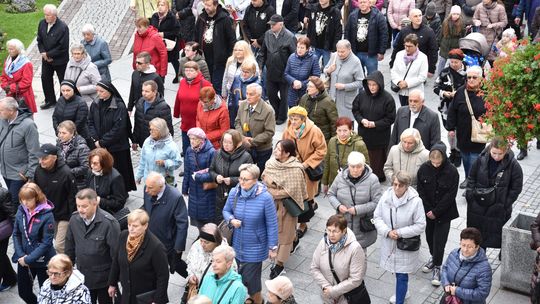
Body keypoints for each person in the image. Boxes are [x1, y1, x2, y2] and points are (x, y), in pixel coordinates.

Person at [222, 164, 278, 304]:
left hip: (255, 248)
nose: (241, 182)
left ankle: (257, 301)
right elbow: (226, 210)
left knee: (252, 283)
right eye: (240, 178)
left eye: (245, 179)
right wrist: (231, 220)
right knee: (238, 279)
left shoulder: (265, 198)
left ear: (255, 180)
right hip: (236, 244)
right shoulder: (235, 192)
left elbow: (272, 224)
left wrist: (273, 247)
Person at [373, 171, 426, 304]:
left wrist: (399, 233)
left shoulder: (416, 202)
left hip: (406, 244)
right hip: (389, 241)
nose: (397, 188)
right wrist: (387, 231)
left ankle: (400, 300)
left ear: (407, 186)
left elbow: (420, 225)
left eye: (400, 185)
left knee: (402, 274)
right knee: (397, 272)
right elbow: (377, 216)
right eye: (395, 184)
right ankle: (403, 291)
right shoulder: (386, 196)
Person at [465, 137, 523, 250]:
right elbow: (471, 178)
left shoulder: (513, 165)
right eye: (494, 153)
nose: (496, 156)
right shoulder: (480, 159)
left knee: (499, 237)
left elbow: (516, 187)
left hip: (498, 208)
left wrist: (505, 203)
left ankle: (504, 254)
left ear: (506, 151)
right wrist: (470, 197)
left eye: (500, 154)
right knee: (478, 238)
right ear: (490, 149)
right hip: (478, 206)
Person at [262, 139, 309, 278]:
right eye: (275, 148)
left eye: (279, 150)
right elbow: (264, 177)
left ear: (287, 153)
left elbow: (293, 191)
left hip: (288, 206)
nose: (275, 151)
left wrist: (273, 190)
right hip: (271, 204)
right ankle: (295, 240)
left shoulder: (295, 169)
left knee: (285, 235)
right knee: (274, 230)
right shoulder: (270, 163)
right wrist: (274, 186)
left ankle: (279, 264)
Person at [65, 189, 120, 304]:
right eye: (78, 206)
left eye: (84, 206)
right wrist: (67, 271)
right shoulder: (74, 220)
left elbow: (117, 257)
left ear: (95, 203)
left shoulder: (109, 224)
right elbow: (69, 247)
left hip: (103, 281)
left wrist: (113, 283)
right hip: (82, 278)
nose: (80, 210)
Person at [417, 142, 459, 286]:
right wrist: (429, 210)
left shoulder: (452, 171)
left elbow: (450, 195)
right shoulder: (424, 168)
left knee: (439, 241)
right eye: (433, 162)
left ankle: (437, 266)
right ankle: (434, 258)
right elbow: (421, 190)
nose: (435, 165)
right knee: (429, 237)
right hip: (427, 211)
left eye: (438, 162)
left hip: (444, 213)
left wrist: (436, 211)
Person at [282, 106, 327, 239]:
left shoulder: (314, 131)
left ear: (303, 119)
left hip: (307, 171)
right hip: (293, 170)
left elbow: (321, 150)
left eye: (296, 119)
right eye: (291, 118)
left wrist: (306, 163)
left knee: (305, 198)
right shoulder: (288, 131)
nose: (293, 121)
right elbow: (283, 146)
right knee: (297, 198)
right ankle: (311, 206)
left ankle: (303, 224)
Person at [108, 209, 170, 303]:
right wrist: (112, 284)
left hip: (144, 298)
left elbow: (163, 276)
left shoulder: (156, 247)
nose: (131, 229)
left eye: (135, 226)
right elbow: (116, 261)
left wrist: (157, 301)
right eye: (129, 225)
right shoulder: (123, 236)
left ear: (145, 226)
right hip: (126, 295)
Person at [88, 81, 137, 192]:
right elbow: (90, 122)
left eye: (101, 91)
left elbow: (119, 128)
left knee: (120, 171)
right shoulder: (95, 104)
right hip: (100, 144)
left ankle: (122, 192)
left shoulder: (118, 106)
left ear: (109, 91)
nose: (99, 94)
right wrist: (96, 139)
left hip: (117, 146)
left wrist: (102, 142)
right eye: (97, 91)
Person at [12, 183, 56, 304]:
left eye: (28, 199)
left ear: (36, 198)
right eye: (22, 199)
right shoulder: (21, 210)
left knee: (46, 294)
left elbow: (46, 243)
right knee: (24, 292)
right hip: (23, 259)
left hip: (43, 261)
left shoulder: (47, 215)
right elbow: (16, 233)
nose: (25, 203)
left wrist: (29, 259)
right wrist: (21, 255)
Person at [328, 151, 381, 249]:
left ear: (364, 165)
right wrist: (338, 206)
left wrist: (357, 209)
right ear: (348, 166)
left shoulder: (372, 180)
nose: (355, 170)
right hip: (343, 224)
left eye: (359, 166)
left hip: (362, 227)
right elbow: (331, 194)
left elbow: (377, 202)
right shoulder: (340, 177)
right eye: (352, 166)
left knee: (360, 258)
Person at [310, 214, 367, 304]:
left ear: (343, 231)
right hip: (327, 298)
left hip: (347, 299)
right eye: (328, 230)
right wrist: (326, 287)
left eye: (335, 231)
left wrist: (333, 291)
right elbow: (314, 267)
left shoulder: (355, 248)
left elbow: (356, 279)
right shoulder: (323, 242)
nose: (331, 235)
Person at [446, 65, 486, 188]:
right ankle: (468, 178)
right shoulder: (461, 92)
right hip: (463, 133)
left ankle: (471, 182)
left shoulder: (487, 93)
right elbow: (452, 110)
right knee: (465, 158)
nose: (471, 80)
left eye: (474, 77)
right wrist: (451, 128)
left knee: (474, 159)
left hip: (478, 133)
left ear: (481, 79)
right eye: (469, 77)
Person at [352, 70, 396, 182]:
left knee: (377, 161)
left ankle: (377, 177)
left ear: (379, 84)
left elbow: (390, 118)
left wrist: (375, 124)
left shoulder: (388, 99)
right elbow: (355, 110)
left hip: (379, 137)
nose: (371, 87)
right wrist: (361, 120)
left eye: (374, 85)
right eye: (369, 84)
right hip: (364, 134)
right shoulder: (361, 95)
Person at [34, 143, 77, 255]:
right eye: (40, 158)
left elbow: (72, 196)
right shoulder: (38, 170)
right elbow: (37, 191)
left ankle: (66, 267)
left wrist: (71, 216)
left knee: (59, 245)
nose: (41, 161)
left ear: (54, 158)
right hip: (48, 214)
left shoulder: (66, 173)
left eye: (45, 158)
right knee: (55, 240)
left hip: (64, 215)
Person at [142, 172, 189, 273]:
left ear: (160, 186)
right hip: (151, 238)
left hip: (167, 242)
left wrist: (178, 247)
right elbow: (146, 206)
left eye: (150, 188)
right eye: (146, 186)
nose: (146, 190)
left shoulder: (175, 197)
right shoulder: (147, 190)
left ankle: (193, 279)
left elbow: (182, 224)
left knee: (176, 265)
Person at [258, 14, 298, 124]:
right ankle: (277, 111)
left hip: (284, 72)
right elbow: (262, 52)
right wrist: (260, 67)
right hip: (270, 71)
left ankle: (282, 116)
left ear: (281, 25)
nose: (271, 26)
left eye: (273, 24)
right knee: (271, 95)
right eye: (270, 24)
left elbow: (294, 56)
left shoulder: (289, 36)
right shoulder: (268, 34)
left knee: (285, 96)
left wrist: (292, 73)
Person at [0, 97, 40, 203]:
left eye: (1, 110)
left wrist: (29, 175)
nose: (0, 112)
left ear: (11, 111)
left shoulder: (28, 125)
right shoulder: (2, 120)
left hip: (19, 174)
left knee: (15, 202)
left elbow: (34, 152)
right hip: (5, 171)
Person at [209, 130, 253, 222]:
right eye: (224, 141)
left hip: (237, 198)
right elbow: (211, 170)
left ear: (237, 144)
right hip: (220, 196)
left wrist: (232, 180)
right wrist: (216, 177)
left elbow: (250, 178)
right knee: (220, 223)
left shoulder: (246, 157)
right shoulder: (218, 153)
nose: (226, 145)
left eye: (230, 142)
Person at [194, 0, 236, 94]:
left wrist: (230, 57)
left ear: (216, 5)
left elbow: (232, 40)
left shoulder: (224, 19)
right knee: (205, 85)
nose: (206, 7)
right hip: (204, 58)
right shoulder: (202, 17)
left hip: (219, 59)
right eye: (205, 5)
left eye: (209, 5)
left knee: (217, 86)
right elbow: (196, 36)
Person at [440, 227, 492, 303]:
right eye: (463, 245)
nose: (465, 249)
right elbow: (445, 268)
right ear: (460, 242)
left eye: (470, 247)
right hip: (450, 299)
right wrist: (446, 283)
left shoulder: (484, 268)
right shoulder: (454, 253)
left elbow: (482, 293)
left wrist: (457, 291)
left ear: (477, 247)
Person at [434, 48, 466, 167]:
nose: (453, 64)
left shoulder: (468, 73)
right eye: (451, 62)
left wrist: (458, 94)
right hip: (446, 107)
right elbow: (435, 87)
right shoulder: (444, 72)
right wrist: (444, 93)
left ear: (461, 62)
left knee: (458, 131)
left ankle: (458, 152)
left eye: (456, 62)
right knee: (450, 131)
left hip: (461, 108)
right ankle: (452, 150)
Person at [174, 61, 213, 157]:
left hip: (198, 122)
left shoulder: (205, 84)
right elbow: (178, 97)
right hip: (185, 121)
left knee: (198, 147)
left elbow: (211, 101)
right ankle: (187, 168)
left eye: (191, 70)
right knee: (186, 147)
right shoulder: (183, 82)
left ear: (197, 71)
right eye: (186, 70)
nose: (188, 72)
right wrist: (176, 112)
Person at [235, 83, 276, 173]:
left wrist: (252, 142)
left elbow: (269, 132)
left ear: (259, 96)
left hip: (262, 149)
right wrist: (243, 138)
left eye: (251, 94)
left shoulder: (268, 110)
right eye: (247, 93)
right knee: (247, 173)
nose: (248, 97)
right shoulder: (243, 105)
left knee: (261, 175)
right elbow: (237, 122)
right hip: (245, 147)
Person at [322, 117, 370, 193]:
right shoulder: (332, 141)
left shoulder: (359, 144)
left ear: (351, 130)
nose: (342, 134)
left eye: (345, 131)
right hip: (335, 183)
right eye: (339, 130)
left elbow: (366, 166)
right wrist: (325, 183)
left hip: (353, 186)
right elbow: (327, 163)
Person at [185, 224, 235, 296]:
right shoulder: (197, 246)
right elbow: (190, 262)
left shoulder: (226, 256)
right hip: (196, 292)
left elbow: (229, 282)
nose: (202, 244)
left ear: (216, 242)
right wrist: (191, 276)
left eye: (206, 242)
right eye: (201, 240)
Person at [37, 4, 70, 110]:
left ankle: (63, 101)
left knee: (63, 81)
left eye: (48, 15)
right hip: (46, 59)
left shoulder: (63, 27)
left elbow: (63, 47)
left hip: (60, 60)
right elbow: (39, 40)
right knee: (45, 78)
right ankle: (50, 100)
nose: (45, 17)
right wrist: (43, 53)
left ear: (54, 15)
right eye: (45, 14)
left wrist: (48, 54)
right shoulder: (42, 23)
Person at [183, 128, 217, 227]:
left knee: (207, 217)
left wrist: (198, 177)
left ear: (201, 140)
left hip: (206, 190)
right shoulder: (189, 150)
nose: (191, 141)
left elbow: (214, 172)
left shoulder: (211, 152)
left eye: (194, 139)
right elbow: (187, 170)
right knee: (196, 217)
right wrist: (185, 188)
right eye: (190, 139)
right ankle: (201, 234)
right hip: (193, 189)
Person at [390, 9, 438, 78]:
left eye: (420, 15)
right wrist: (392, 63)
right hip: (405, 64)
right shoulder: (404, 31)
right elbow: (397, 48)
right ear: (410, 18)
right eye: (415, 16)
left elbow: (433, 51)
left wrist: (431, 69)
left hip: (420, 65)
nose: (418, 18)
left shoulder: (429, 32)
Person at [324, 39, 364, 122]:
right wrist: (328, 71)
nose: (340, 54)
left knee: (346, 128)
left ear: (349, 50)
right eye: (338, 51)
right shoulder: (334, 56)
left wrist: (345, 86)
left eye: (342, 52)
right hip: (332, 100)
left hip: (346, 104)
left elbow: (361, 82)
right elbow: (326, 70)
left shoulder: (355, 61)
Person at [344, 0, 388, 76]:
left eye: (364, 2)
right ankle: (360, 88)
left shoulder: (378, 16)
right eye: (361, 2)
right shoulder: (352, 15)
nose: (362, 4)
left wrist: (381, 51)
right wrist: (347, 48)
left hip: (371, 53)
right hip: (355, 52)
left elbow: (384, 34)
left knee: (372, 77)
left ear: (369, 3)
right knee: (358, 77)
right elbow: (347, 32)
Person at [136, 117, 182, 185]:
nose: (150, 132)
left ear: (160, 131)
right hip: (149, 181)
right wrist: (138, 176)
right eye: (150, 129)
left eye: (153, 130)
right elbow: (143, 160)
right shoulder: (147, 141)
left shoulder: (171, 146)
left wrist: (165, 163)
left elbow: (178, 162)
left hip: (164, 183)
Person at [85, 148, 128, 216]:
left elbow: (119, 202)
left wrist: (101, 201)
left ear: (104, 163)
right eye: (91, 162)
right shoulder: (90, 172)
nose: (92, 166)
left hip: (108, 214)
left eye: (95, 163)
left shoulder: (115, 177)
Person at [132, 80, 174, 149]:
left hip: (156, 145)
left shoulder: (163, 107)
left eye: (147, 91)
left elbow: (168, 128)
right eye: (143, 90)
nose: (143, 93)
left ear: (154, 92)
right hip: (143, 142)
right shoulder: (140, 102)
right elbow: (137, 123)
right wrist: (135, 140)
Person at [390, 33, 429, 106]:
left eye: (410, 46)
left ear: (416, 45)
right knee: (404, 112)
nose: (407, 48)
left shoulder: (423, 57)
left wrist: (407, 83)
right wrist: (398, 82)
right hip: (402, 91)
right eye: (406, 46)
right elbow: (393, 71)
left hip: (415, 92)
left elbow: (422, 77)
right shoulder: (399, 54)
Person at [0, 39, 37, 113]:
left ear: (18, 50)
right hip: (10, 94)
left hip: (23, 96)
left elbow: (26, 82)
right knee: (10, 116)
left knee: (24, 117)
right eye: (9, 49)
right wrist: (5, 86)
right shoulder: (8, 61)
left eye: (12, 49)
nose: (9, 51)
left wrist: (11, 88)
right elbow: (3, 76)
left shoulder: (26, 64)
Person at [298, 76, 337, 142]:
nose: (308, 89)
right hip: (306, 134)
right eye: (308, 86)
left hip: (322, 136)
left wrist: (334, 141)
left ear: (318, 88)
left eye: (310, 87)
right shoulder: (304, 98)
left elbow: (334, 122)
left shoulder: (328, 102)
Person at [284, 37, 321, 107]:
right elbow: (286, 74)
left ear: (307, 49)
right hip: (293, 92)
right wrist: (293, 81)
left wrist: (302, 84)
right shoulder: (291, 57)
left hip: (306, 92)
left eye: (302, 48)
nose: (299, 50)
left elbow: (316, 76)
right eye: (298, 47)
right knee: (293, 114)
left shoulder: (313, 58)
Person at [305, 0, 342, 69]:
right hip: (314, 46)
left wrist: (335, 49)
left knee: (327, 71)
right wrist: (308, 43)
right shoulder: (314, 9)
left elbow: (338, 32)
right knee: (309, 68)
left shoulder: (335, 12)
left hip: (328, 48)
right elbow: (310, 27)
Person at [151, 0, 181, 82]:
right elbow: (151, 28)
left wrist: (164, 34)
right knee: (161, 62)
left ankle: (178, 74)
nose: (160, 7)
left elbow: (177, 31)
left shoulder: (172, 18)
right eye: (159, 5)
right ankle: (161, 80)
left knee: (174, 61)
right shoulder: (154, 16)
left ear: (167, 7)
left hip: (170, 43)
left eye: (162, 5)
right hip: (158, 43)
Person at [56, 120, 90, 190]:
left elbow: (86, 167)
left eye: (64, 133)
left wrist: (67, 172)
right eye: (59, 132)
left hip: (78, 182)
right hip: (63, 179)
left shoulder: (82, 147)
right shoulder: (59, 143)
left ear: (72, 134)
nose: (60, 135)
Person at [228, 59, 261, 128]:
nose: (244, 74)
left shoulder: (257, 83)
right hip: (235, 110)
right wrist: (230, 105)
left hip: (248, 112)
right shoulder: (237, 78)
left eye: (247, 72)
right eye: (242, 71)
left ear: (253, 73)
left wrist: (245, 102)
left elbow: (259, 100)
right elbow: (231, 93)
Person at [436, 6, 466, 78]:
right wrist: (438, 43)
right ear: (451, 14)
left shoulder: (461, 24)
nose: (455, 16)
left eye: (457, 14)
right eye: (454, 14)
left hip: (455, 46)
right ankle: (439, 77)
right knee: (442, 62)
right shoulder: (445, 22)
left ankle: (450, 77)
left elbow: (462, 37)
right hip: (445, 45)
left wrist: (461, 48)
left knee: (453, 63)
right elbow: (441, 34)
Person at [0, 186, 16, 292]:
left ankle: (10, 279)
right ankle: (11, 278)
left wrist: (18, 235)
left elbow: (12, 214)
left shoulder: (3, 193)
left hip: (2, 232)